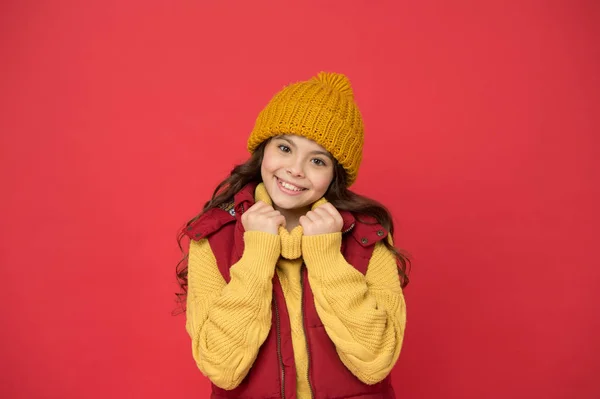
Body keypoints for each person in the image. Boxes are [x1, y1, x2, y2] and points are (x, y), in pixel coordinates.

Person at [176, 71, 410, 399]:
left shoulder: (367, 238)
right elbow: (223, 368)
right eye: (285, 148)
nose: (296, 169)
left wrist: (327, 257)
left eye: (317, 160)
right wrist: (257, 251)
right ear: (263, 151)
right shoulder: (214, 238)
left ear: (334, 175)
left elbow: (375, 362)